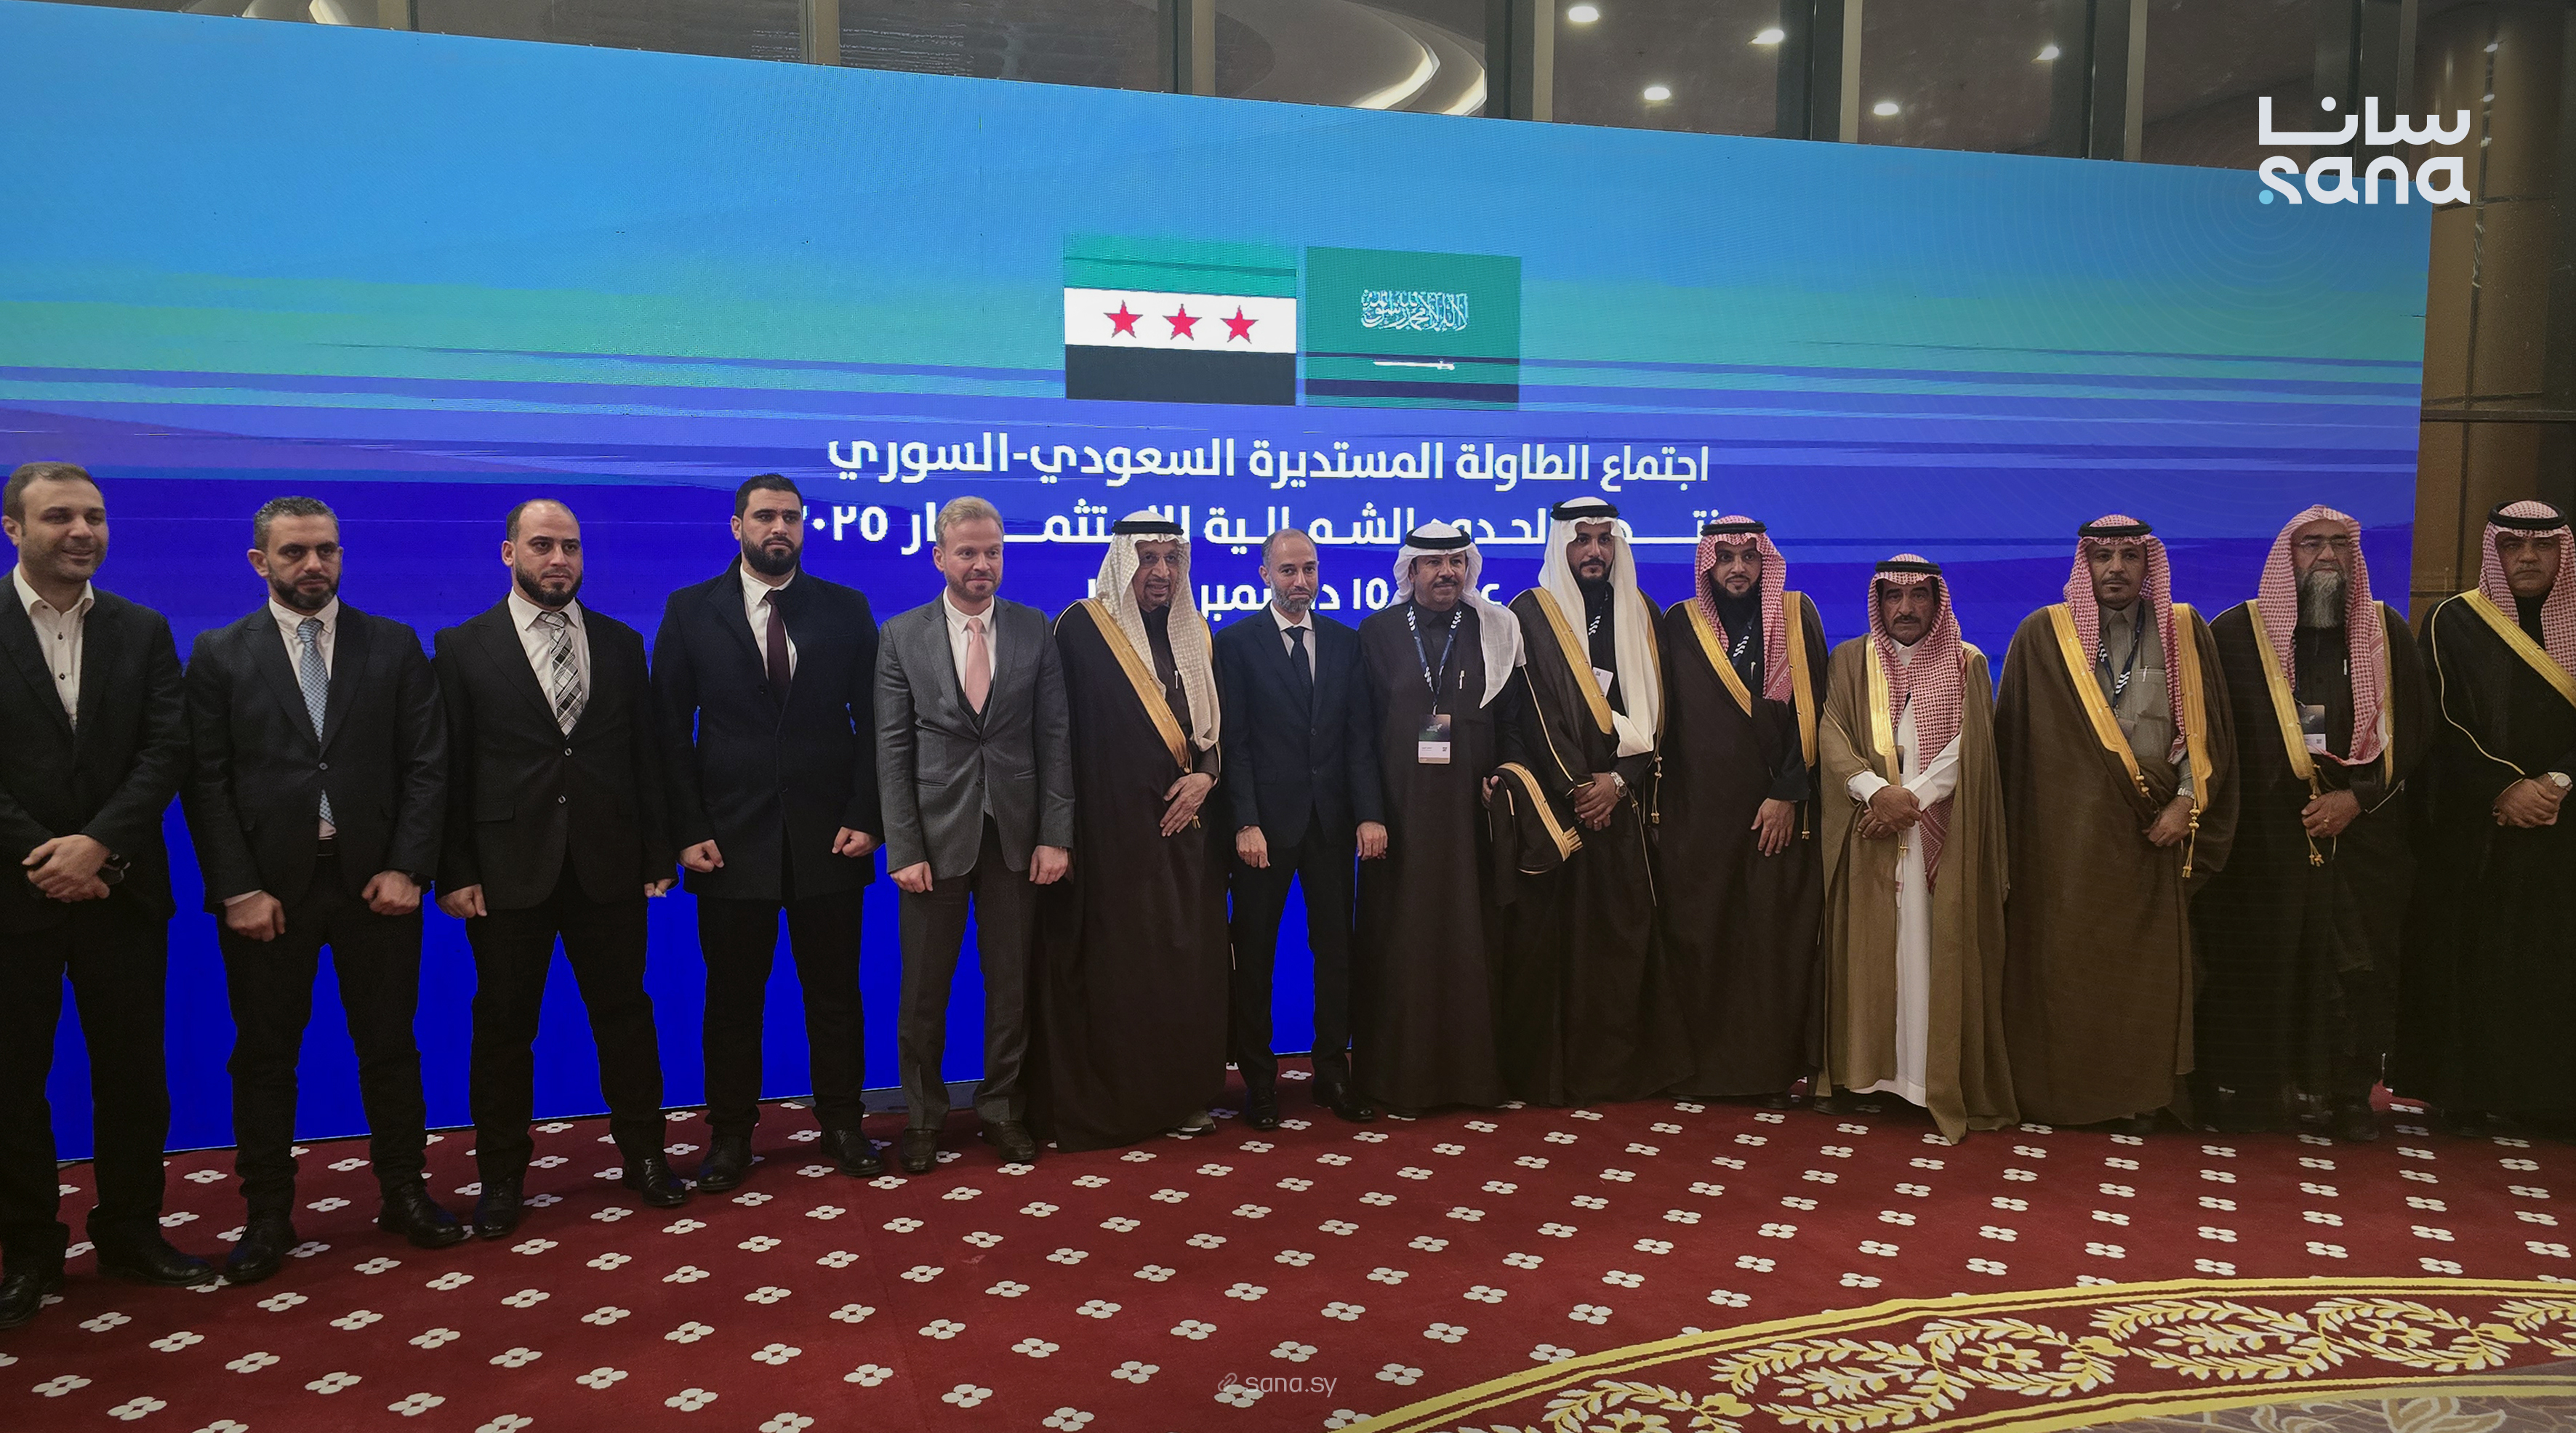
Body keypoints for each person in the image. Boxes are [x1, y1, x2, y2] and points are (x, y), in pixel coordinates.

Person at [182, 495, 460, 1282]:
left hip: (378, 886)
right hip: (268, 897)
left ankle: (404, 1193)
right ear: (259, 561)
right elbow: (205, 781)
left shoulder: (393, 643)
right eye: (295, 552)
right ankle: (268, 1216)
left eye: (327, 550)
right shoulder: (219, 653)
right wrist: (237, 888)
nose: (314, 565)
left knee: (390, 1048)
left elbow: (427, 764)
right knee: (265, 1059)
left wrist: (408, 867)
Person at [431, 499, 685, 1235]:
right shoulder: (461, 646)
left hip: (610, 865)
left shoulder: (621, 642)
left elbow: (646, 755)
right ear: (508, 552)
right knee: (504, 1030)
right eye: (542, 545)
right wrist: (453, 869)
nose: (559, 559)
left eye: (570, 546)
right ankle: (501, 1178)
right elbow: (448, 767)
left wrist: (657, 852)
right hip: (506, 872)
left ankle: (646, 1157)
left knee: (626, 1019)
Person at [0, 463, 206, 1327]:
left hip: (122, 891)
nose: (82, 531)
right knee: (13, 1083)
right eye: (59, 516)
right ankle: (29, 1252)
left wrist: (98, 846)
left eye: (94, 516)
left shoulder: (142, 627)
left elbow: (166, 749)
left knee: (133, 1076)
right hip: (14, 896)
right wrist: (47, 855)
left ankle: (131, 1232)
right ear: (15, 529)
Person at [654, 475, 884, 1188]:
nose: (778, 527)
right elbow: (667, 732)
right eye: (764, 516)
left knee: (836, 997)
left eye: (790, 516)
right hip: (728, 843)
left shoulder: (846, 608)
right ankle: (729, 1138)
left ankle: (843, 1125)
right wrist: (686, 829)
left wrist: (867, 815)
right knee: (731, 1002)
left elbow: (877, 722)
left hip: (831, 838)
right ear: (737, 527)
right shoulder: (690, 610)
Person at [1995, 517, 2237, 1131]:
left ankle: (2142, 1096)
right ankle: (2066, 1094)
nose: (2115, 568)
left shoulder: (2183, 630)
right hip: (2064, 845)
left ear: (2147, 563)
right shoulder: (2041, 635)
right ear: (2085, 564)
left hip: (2154, 835)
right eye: (2102, 556)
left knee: (2144, 978)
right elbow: (2012, 751)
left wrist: (2186, 803)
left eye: (2129, 555)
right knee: (2068, 970)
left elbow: (2208, 733)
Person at [2193, 505, 2427, 1141]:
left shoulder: (2385, 632)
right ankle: (2259, 1088)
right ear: (2285, 557)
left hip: (2362, 834)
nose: (2326, 556)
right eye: (2310, 544)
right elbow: (2214, 734)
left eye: (2338, 545)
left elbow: (2414, 731)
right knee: (2265, 959)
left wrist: (2355, 798)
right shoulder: (2236, 634)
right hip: (2268, 838)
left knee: (2356, 969)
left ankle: (2348, 1095)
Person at [876, 497, 1072, 1171]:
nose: (981, 563)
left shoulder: (1033, 627)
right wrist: (903, 848)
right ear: (940, 557)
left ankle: (1001, 1109)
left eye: (992, 551)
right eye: (967, 552)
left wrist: (1055, 834)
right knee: (923, 993)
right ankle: (923, 1117)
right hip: (933, 843)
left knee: (1010, 987)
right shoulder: (901, 634)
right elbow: (891, 749)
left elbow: (1054, 737)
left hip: (1016, 838)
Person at [1033, 512, 1228, 1150]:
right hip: (1107, 842)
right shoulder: (1080, 628)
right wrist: (1059, 832)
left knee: (1181, 970)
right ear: (1122, 563)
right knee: (1120, 974)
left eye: (1171, 559)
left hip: (1185, 842)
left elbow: (1212, 734)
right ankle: (1115, 1107)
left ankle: (1180, 1098)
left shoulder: (1196, 631)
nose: (1161, 572)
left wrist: (1206, 777)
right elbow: (1054, 738)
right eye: (1147, 559)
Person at [1816, 555, 2015, 1142]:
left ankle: (1928, 1082)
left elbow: (1970, 745)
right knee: (1870, 954)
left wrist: (1913, 799)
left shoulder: (1966, 662)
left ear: (1936, 601)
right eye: (1893, 597)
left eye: (1918, 596)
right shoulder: (1849, 659)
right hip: (1869, 830)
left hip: (1939, 833)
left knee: (1932, 952)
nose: (1905, 608)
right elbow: (1831, 731)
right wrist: (1874, 791)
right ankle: (1867, 1077)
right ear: (1877, 603)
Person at [1497, 497, 1688, 1105]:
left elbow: (1658, 712)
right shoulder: (1528, 613)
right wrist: (1578, 787)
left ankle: (1621, 1072)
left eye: (1604, 539)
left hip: (1623, 806)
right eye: (1581, 539)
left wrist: (1618, 782)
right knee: (1559, 947)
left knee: (1622, 941)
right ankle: (1556, 1075)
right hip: (1559, 814)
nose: (1594, 551)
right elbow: (1528, 715)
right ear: (1561, 544)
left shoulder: (1642, 611)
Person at [2394, 500, 2576, 1134]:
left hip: (2565, 826)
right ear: (2492, 552)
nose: (2526, 557)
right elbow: (2439, 720)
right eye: (2512, 546)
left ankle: (2550, 1099)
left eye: (2541, 545)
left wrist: (2556, 781)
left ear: (2561, 552)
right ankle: (2465, 1093)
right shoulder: (2455, 619)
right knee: (2474, 958)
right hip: (2479, 827)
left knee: (2553, 962)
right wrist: (2503, 788)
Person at [1350, 522, 1527, 1115]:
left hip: (1470, 822)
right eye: (1433, 563)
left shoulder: (1494, 627)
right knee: (1401, 943)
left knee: (1468, 939)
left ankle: (1470, 1080)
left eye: (1455, 561)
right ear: (1411, 571)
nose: (1446, 572)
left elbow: (1512, 722)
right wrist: (1369, 813)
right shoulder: (1376, 632)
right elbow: (1357, 736)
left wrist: (1504, 775)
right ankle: (1397, 1079)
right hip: (1397, 823)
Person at [1216, 529, 1387, 1129]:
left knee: (1335, 953)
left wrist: (1369, 812)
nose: (1300, 581)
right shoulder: (1235, 643)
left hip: (1331, 826)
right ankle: (1259, 1082)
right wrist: (1245, 821)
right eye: (1288, 570)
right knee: (1255, 955)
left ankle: (1331, 1073)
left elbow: (1359, 738)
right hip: (1263, 831)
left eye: (1309, 568)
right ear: (1264, 574)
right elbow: (1234, 744)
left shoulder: (1344, 641)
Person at [1656, 516, 1829, 1106]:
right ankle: (1700, 1069)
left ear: (1764, 562)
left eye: (1748, 557)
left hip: (1774, 817)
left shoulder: (1796, 615)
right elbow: (1668, 720)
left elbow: (1814, 710)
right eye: (1724, 557)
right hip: (1699, 817)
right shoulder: (1681, 623)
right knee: (1702, 938)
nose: (1736, 568)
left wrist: (1787, 792)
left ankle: (1765, 1071)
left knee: (1768, 943)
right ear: (1708, 564)